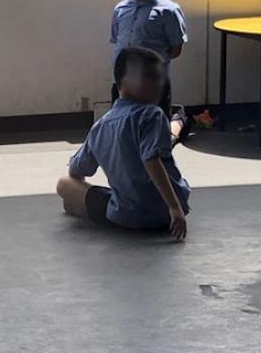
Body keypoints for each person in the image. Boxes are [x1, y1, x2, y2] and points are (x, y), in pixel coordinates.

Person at [57, 46, 190, 240]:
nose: (159, 84)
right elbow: (151, 158)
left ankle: (82, 206)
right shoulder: (152, 114)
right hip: (167, 214)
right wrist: (175, 207)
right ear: (126, 81)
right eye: (150, 77)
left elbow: (76, 171)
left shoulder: (101, 126)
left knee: (64, 184)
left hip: (127, 216)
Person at [110, 0, 188, 127]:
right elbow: (117, 41)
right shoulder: (121, 9)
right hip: (123, 82)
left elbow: (175, 49)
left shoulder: (169, 11)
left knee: (154, 132)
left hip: (153, 84)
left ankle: (177, 124)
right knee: (121, 128)